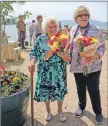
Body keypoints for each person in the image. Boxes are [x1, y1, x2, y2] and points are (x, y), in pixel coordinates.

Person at [69, 6, 106, 124]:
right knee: (80, 88)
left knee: (93, 89)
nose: (84, 17)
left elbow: (102, 47)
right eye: (81, 15)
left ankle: (98, 112)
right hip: (78, 67)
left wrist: (96, 56)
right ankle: (81, 107)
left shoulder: (97, 29)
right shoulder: (73, 30)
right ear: (76, 18)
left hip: (93, 66)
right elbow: (70, 47)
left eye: (86, 15)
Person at [28, 16, 68, 122]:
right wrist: (32, 61)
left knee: (60, 90)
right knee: (46, 91)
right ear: (45, 27)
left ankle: (60, 111)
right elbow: (34, 52)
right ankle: (48, 111)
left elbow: (68, 55)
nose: (53, 29)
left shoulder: (62, 38)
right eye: (50, 27)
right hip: (44, 70)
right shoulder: (41, 38)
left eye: (55, 26)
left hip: (59, 69)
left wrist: (63, 55)